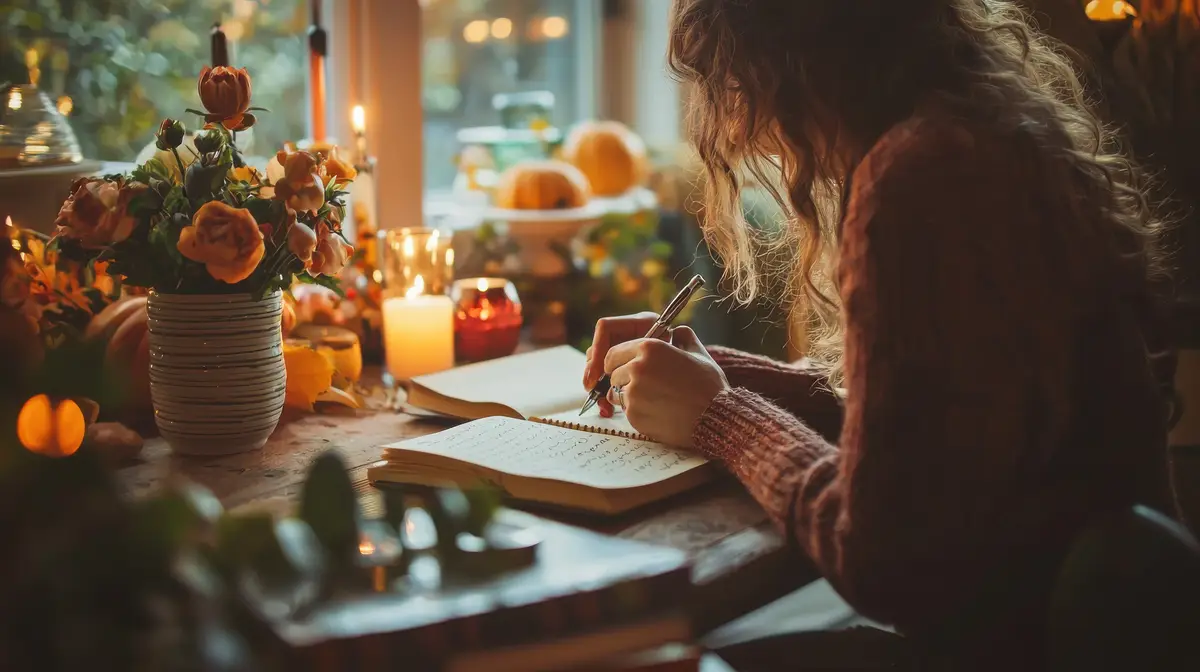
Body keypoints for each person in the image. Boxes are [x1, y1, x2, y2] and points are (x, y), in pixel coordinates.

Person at [583, 0, 1177, 667]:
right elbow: (930, 421)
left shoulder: (920, 175)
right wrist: (726, 375)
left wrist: (719, 414)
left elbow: (880, 558)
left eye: (724, 76)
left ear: (777, 56)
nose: (732, 121)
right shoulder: (985, 131)